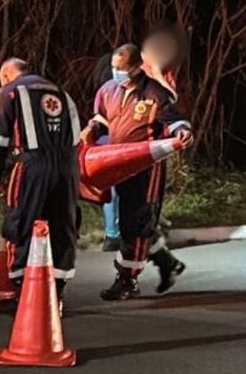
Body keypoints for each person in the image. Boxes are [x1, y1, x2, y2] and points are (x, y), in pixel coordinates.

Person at [83, 25, 193, 301]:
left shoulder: (154, 93)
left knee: (137, 219)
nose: (116, 72)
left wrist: (183, 131)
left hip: (145, 167)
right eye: (113, 66)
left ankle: (127, 280)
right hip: (116, 161)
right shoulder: (109, 90)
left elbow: (174, 119)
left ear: (135, 68)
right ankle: (168, 263)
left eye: (121, 67)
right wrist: (91, 131)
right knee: (132, 220)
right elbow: (102, 118)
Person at [0, 58, 82, 304]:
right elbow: (77, 138)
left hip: (32, 166)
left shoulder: (9, 92)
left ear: (6, 75)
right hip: (68, 167)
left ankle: (23, 291)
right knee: (63, 224)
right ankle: (57, 291)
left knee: (21, 222)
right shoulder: (63, 93)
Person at [92, 44, 142, 252]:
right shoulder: (124, 89)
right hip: (123, 145)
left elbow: (97, 118)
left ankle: (112, 234)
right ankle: (126, 233)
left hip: (107, 143)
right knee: (131, 190)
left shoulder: (102, 90)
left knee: (111, 190)